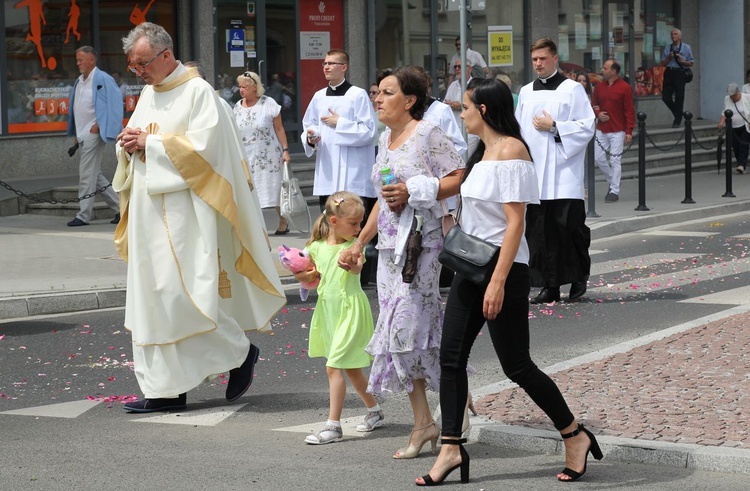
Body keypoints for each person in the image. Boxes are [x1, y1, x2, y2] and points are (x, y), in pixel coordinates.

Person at [416, 77, 603, 486]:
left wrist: (498, 282)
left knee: (517, 365)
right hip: (471, 267)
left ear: (483, 109)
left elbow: (516, 223)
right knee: (451, 359)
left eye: (464, 107)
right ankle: (450, 447)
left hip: (502, 270)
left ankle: (575, 435)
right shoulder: (481, 152)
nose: (459, 113)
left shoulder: (513, 150)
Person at [113, 22, 286, 413]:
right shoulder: (148, 93)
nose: (137, 71)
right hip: (147, 212)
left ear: (166, 55)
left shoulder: (198, 93)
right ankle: (165, 390)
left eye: (141, 63)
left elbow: (210, 151)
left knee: (182, 297)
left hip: (184, 216)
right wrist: (128, 145)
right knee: (152, 301)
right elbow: (139, 139)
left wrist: (152, 144)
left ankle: (241, 354)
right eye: (133, 64)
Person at [339, 65, 464, 460]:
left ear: (409, 100)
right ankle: (427, 420)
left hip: (421, 249)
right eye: (377, 92)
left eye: (387, 92)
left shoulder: (427, 133)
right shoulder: (385, 138)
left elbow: (459, 174)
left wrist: (417, 190)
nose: (377, 98)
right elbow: (382, 199)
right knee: (406, 338)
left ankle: (437, 414)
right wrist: (360, 243)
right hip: (391, 253)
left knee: (405, 333)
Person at [294, 191, 382, 445]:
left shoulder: (352, 248)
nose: (359, 229)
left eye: (361, 223)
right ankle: (374, 411)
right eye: (354, 224)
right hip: (328, 311)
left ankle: (333, 426)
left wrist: (351, 262)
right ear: (334, 222)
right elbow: (309, 280)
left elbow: (356, 268)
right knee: (352, 369)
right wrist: (300, 271)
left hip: (350, 311)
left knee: (333, 366)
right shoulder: (315, 248)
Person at [515, 38, 595, 304]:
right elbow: (519, 129)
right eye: (534, 59)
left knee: (568, 228)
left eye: (543, 59)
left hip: (564, 173)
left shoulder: (572, 90)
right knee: (540, 232)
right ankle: (549, 285)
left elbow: (586, 126)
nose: (538, 64)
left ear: (555, 59)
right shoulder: (526, 92)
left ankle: (578, 276)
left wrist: (555, 126)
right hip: (536, 173)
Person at [301, 49, 378, 216]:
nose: (326, 67)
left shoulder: (358, 95)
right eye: (325, 63)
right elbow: (309, 124)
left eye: (331, 63)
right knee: (330, 219)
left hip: (352, 168)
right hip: (328, 167)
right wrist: (311, 137)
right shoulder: (319, 96)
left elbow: (370, 131)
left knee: (353, 218)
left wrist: (340, 123)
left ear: (344, 67)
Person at [66, 46, 122, 227]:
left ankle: (83, 215)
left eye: (81, 59)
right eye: (77, 59)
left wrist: (99, 126)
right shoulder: (79, 81)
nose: (78, 63)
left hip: (94, 133)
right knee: (94, 175)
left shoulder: (103, 79)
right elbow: (78, 109)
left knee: (86, 175)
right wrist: (76, 133)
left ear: (92, 59)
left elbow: (114, 105)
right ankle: (121, 209)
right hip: (83, 134)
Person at [234, 71, 292, 235]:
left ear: (255, 87)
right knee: (248, 190)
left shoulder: (268, 103)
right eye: (240, 87)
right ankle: (254, 226)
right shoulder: (238, 106)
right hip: (246, 154)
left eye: (244, 87)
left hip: (269, 155)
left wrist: (286, 150)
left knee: (274, 188)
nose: (241, 90)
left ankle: (283, 221)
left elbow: (279, 129)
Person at [592, 59, 635, 202]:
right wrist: (598, 115)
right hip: (602, 129)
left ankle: (614, 191)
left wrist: (629, 130)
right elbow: (594, 104)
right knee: (598, 158)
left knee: (615, 160)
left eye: (605, 68)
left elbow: (629, 110)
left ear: (613, 71)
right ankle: (613, 181)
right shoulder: (599, 87)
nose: (602, 70)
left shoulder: (625, 87)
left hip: (618, 129)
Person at [660, 28, 694, 128]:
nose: (673, 36)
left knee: (679, 96)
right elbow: (662, 63)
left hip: (680, 73)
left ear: (680, 36)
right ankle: (678, 113)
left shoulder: (686, 48)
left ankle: (677, 120)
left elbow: (691, 63)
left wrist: (682, 61)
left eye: (675, 34)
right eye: (671, 34)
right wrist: (669, 57)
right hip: (669, 71)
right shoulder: (668, 47)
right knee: (665, 97)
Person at [445, 62, 479, 156]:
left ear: (469, 69)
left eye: (460, 66)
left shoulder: (474, 85)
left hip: (470, 132)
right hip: (455, 130)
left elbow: (478, 106)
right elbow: (446, 101)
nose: (457, 69)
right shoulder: (453, 85)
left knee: (467, 160)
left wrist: (461, 107)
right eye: (455, 67)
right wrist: (450, 104)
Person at [718, 83, 750, 175]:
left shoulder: (747, 97)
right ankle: (740, 163)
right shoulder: (727, 99)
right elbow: (724, 111)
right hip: (732, 127)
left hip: (745, 125)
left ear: (738, 92)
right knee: (735, 146)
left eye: (734, 96)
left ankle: (741, 165)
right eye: (731, 96)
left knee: (743, 144)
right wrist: (721, 122)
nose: (732, 98)